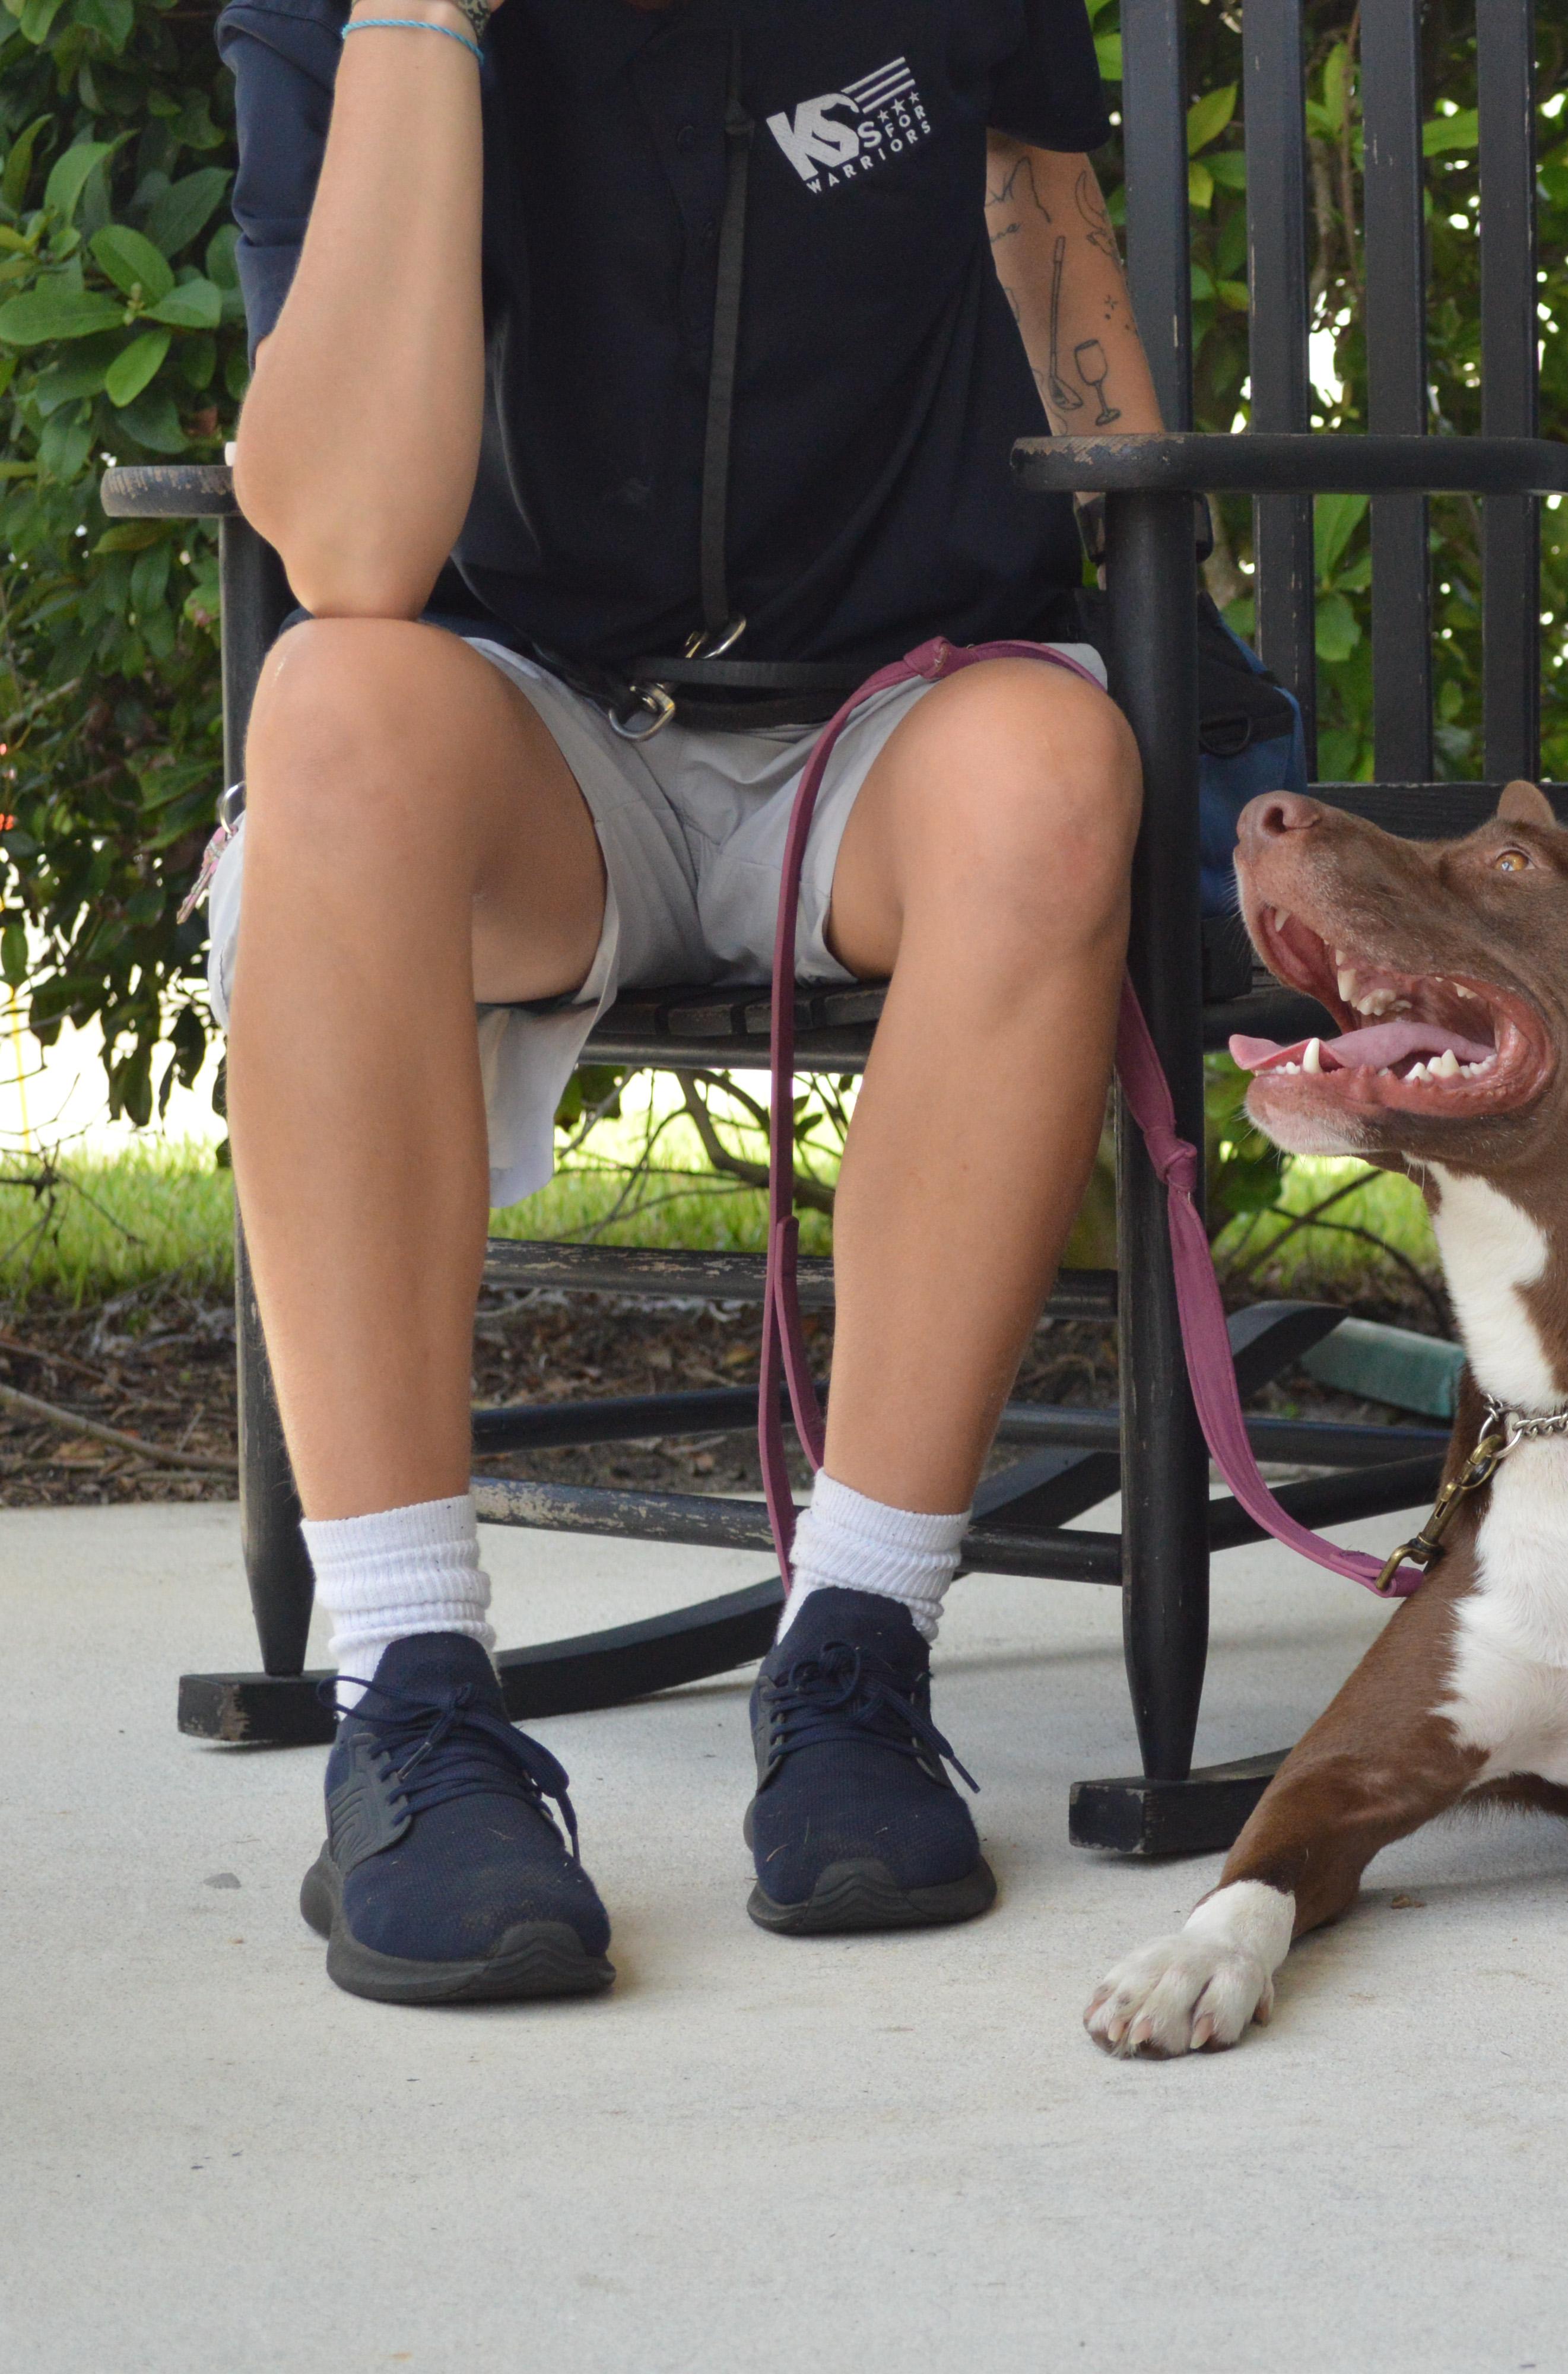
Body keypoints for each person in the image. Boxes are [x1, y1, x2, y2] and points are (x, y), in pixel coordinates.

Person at [210, 0, 1160, 2003]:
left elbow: (1051, 239)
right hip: (539, 737)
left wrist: (1167, 641)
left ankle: (857, 1651)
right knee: (334, 713)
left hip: (891, 715)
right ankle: (410, 1695)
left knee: (1058, 781)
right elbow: (358, 540)